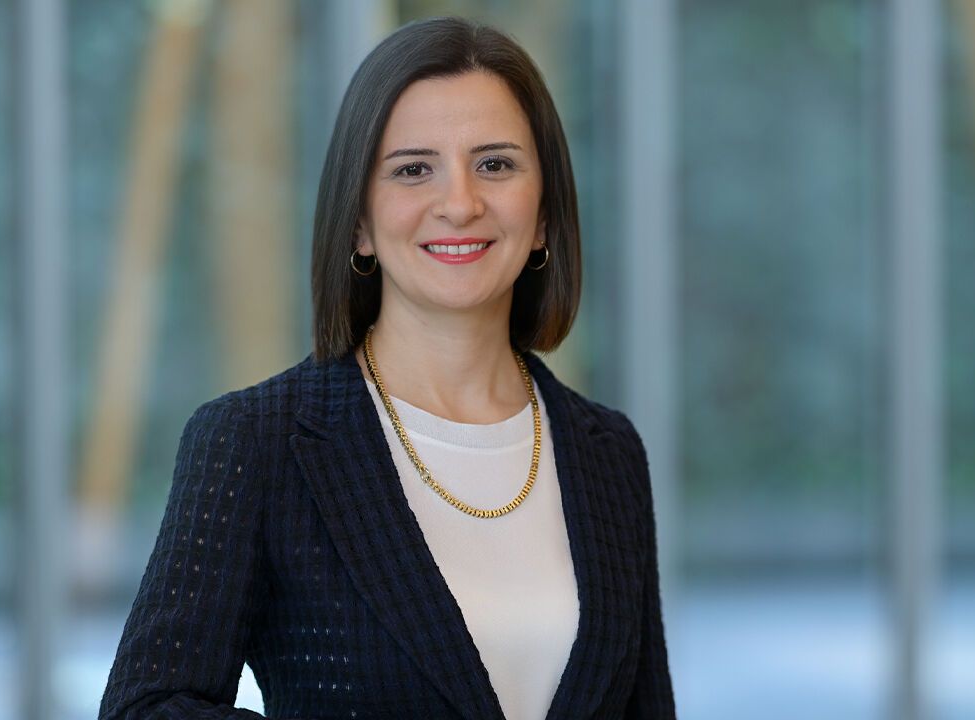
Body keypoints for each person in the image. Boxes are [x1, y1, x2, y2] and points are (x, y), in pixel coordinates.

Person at [99, 16, 674, 720]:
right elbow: (146, 708)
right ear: (360, 222)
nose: (460, 203)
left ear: (546, 214)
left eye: (495, 164)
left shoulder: (610, 453)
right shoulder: (255, 443)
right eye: (412, 169)